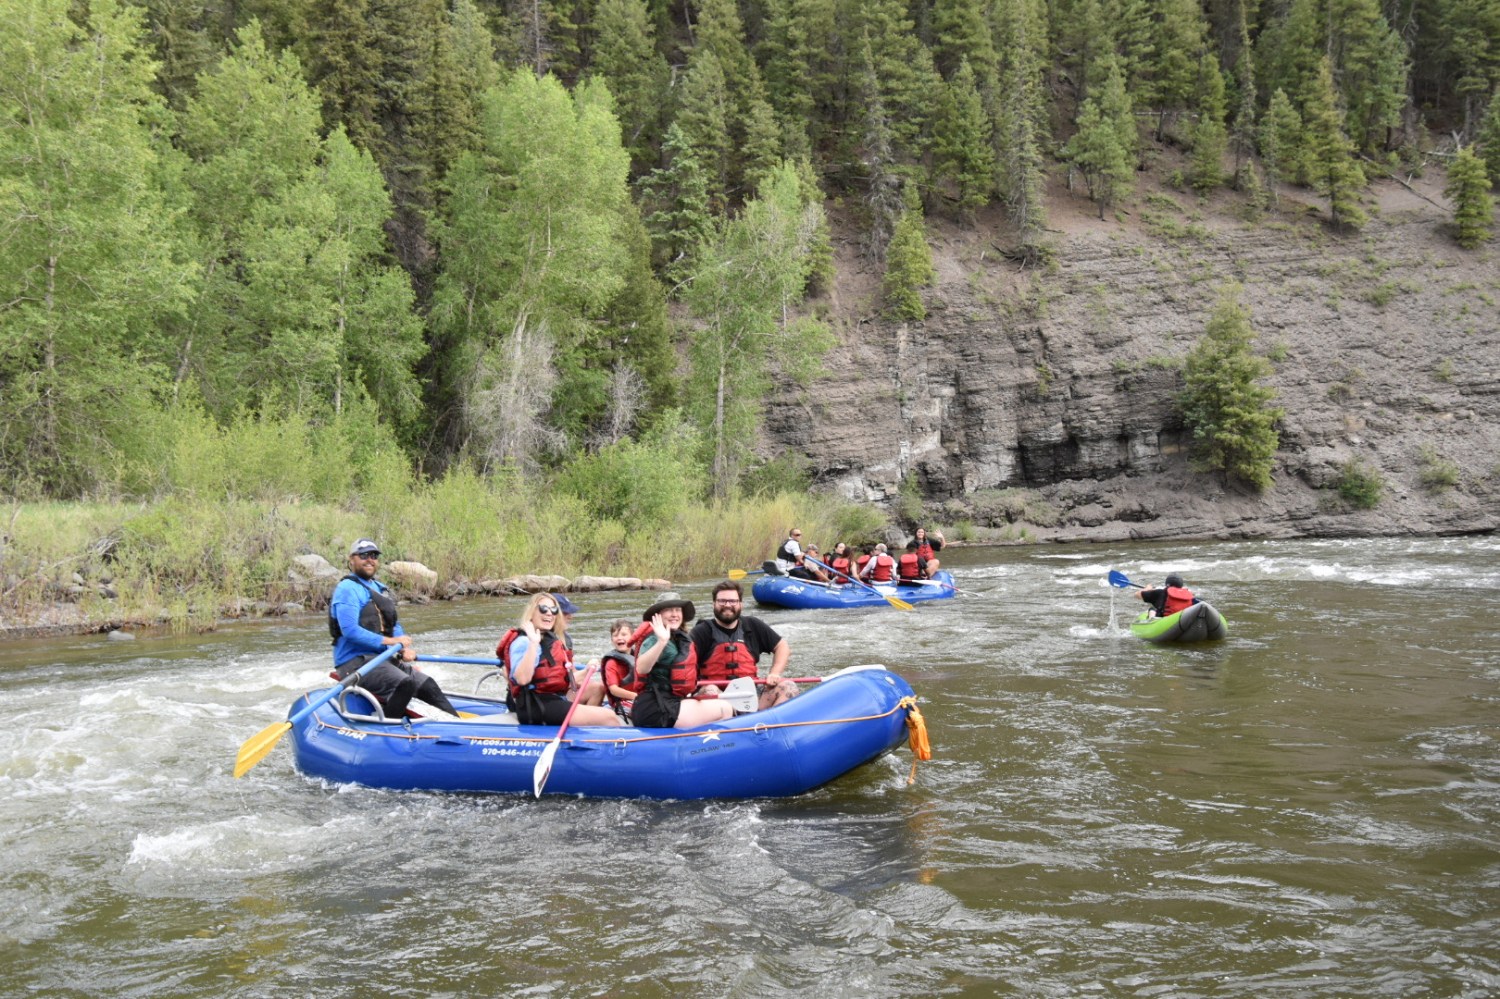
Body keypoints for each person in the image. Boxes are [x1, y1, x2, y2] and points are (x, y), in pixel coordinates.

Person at [329, 538, 459, 718]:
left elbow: (393, 624)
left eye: (374, 555)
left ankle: (460, 725)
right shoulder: (347, 589)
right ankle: (387, 731)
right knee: (405, 684)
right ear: (352, 559)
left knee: (427, 684)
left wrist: (403, 648)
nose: (370, 559)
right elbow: (350, 631)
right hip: (354, 662)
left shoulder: (379, 588)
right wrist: (392, 642)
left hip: (381, 659)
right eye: (364, 555)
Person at [497, 592, 621, 727]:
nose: (549, 613)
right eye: (543, 609)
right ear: (532, 611)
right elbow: (522, 679)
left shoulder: (549, 639)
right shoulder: (524, 641)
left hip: (553, 698)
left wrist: (586, 671)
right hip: (535, 705)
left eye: (554, 610)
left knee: (600, 702)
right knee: (609, 717)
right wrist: (533, 643)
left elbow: (565, 680)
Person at [631, 592, 735, 729]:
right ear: (658, 615)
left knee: (713, 697)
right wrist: (661, 642)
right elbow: (641, 668)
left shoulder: (677, 637)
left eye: (677, 610)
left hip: (669, 702)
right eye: (668, 610)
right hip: (655, 709)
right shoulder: (655, 638)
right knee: (726, 708)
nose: (674, 614)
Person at [690, 580, 798, 711]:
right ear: (714, 604)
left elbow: (782, 646)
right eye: (722, 601)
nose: (727, 605)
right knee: (710, 690)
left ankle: (769, 725)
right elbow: (684, 661)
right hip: (718, 699)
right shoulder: (702, 631)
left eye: (732, 601)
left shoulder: (753, 625)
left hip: (750, 695)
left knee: (789, 687)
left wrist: (774, 673)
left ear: (740, 604)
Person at [552, 591, 605, 706]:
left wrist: (586, 672)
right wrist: (586, 671)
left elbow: (572, 672)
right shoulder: (542, 641)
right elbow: (563, 680)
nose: (571, 616)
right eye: (566, 613)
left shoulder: (566, 639)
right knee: (596, 688)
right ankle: (583, 718)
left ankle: (586, 720)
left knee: (598, 687)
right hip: (551, 696)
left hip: (564, 690)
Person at [600, 618, 647, 717]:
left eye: (624, 634)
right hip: (621, 702)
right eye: (615, 635)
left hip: (639, 698)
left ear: (634, 637)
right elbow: (614, 690)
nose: (619, 638)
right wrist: (636, 697)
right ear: (612, 640)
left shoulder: (640, 657)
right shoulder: (611, 663)